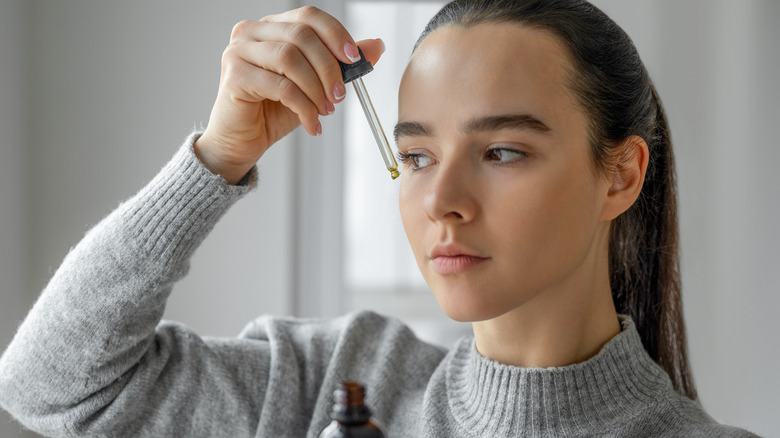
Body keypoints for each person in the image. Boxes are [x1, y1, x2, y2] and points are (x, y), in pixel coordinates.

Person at [0, 0, 761, 436]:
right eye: (419, 157)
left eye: (501, 152)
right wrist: (218, 155)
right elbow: (48, 388)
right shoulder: (333, 382)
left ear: (620, 175)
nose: (441, 202)